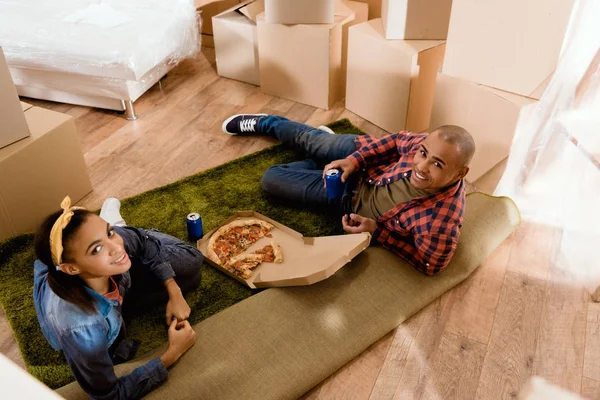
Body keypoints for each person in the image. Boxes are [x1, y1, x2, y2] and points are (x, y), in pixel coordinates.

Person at [221, 114, 476, 276]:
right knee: (309, 140)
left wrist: (376, 230)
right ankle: (268, 122)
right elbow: (399, 140)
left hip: (349, 198)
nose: (421, 166)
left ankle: (324, 152)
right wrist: (355, 160)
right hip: (366, 161)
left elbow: (430, 264)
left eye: (438, 164)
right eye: (422, 154)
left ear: (460, 173)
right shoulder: (430, 143)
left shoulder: (441, 223)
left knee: (272, 180)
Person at [33, 196, 204, 399]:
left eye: (110, 232)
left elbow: (140, 240)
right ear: (72, 267)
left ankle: (113, 224)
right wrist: (172, 353)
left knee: (191, 265)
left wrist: (173, 291)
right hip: (87, 289)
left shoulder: (114, 246)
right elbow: (110, 396)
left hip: (102, 277)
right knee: (184, 265)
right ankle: (112, 223)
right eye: (96, 248)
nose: (116, 246)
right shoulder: (83, 331)